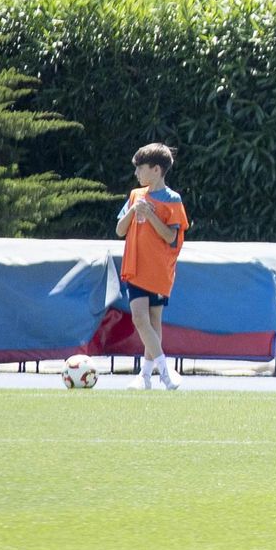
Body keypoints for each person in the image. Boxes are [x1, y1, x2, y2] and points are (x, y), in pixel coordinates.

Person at [116, 143, 190, 391]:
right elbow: (119, 229)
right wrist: (133, 211)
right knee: (139, 317)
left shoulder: (173, 200)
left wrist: (151, 216)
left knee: (154, 319)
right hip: (135, 267)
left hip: (158, 270)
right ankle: (165, 371)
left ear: (156, 170)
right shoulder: (136, 195)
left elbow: (171, 237)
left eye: (141, 168)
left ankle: (146, 374)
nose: (137, 173)